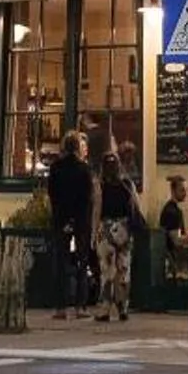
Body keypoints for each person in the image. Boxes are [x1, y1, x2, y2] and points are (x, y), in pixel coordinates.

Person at [45, 129, 96, 318]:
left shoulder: (56, 168)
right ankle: (80, 306)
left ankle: (60, 307)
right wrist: (78, 220)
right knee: (82, 262)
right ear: (77, 148)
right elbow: (87, 198)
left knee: (61, 262)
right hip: (81, 220)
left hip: (61, 219)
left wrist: (64, 218)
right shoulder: (84, 169)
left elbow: (53, 195)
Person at [93, 148, 142, 322]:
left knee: (107, 271)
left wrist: (93, 234)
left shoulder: (100, 185)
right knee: (123, 269)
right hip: (125, 229)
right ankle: (123, 307)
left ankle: (105, 308)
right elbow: (137, 206)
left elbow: (97, 210)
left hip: (106, 229)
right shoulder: (128, 184)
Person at [158, 172, 188, 278]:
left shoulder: (174, 210)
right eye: (182, 190)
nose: (185, 193)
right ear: (173, 191)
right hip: (170, 262)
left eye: (186, 190)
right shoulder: (172, 212)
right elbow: (177, 241)